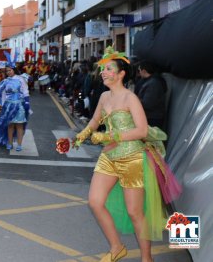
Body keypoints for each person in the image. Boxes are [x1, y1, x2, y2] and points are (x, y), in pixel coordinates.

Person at [74, 47, 180, 262]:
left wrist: (107, 137)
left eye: (109, 69)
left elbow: (141, 130)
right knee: (95, 202)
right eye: (102, 69)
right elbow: (95, 121)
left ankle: (146, 258)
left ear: (121, 73)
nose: (103, 72)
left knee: (135, 212)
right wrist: (78, 137)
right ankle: (116, 247)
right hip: (108, 158)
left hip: (131, 159)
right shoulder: (104, 96)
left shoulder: (131, 98)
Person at [0, 52, 30, 151]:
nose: (8, 72)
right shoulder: (6, 81)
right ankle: (10, 143)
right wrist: (1, 100)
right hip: (8, 106)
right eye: (7, 71)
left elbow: (25, 91)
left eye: (10, 70)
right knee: (10, 125)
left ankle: (19, 145)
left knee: (19, 125)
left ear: (14, 70)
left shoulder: (21, 79)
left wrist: (27, 102)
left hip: (19, 105)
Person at [135, 61, 167, 130]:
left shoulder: (153, 83)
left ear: (143, 71)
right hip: (151, 116)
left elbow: (148, 104)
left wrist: (134, 99)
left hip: (153, 118)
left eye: (139, 70)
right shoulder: (150, 81)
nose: (139, 73)